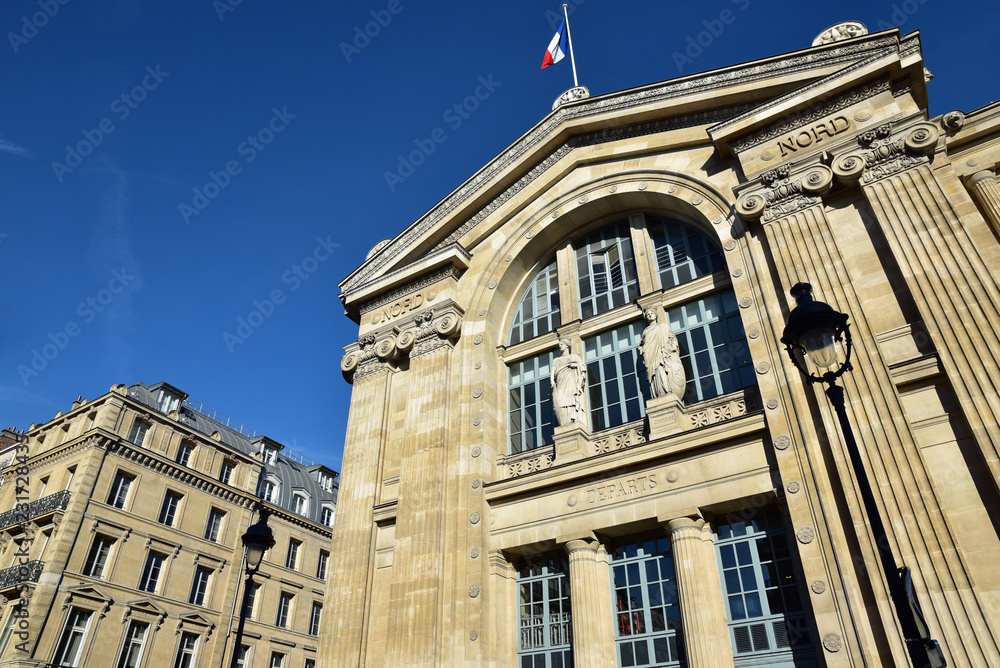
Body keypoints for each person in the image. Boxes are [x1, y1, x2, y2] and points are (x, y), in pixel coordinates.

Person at [639, 308, 686, 400]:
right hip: (650, 355)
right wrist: (642, 349)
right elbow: (643, 343)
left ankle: (666, 390)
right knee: (654, 374)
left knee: (661, 370)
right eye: (648, 314)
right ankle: (658, 392)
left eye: (652, 313)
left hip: (662, 354)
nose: (650, 315)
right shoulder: (646, 331)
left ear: (656, 315)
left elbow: (672, 338)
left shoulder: (663, 327)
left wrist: (672, 347)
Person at [551, 338, 587, 426]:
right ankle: (564, 423)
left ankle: (573, 419)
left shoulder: (574, 357)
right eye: (559, 345)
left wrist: (575, 365)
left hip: (571, 381)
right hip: (560, 382)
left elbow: (582, 368)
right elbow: (553, 371)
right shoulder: (556, 360)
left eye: (561, 344)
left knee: (572, 400)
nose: (560, 346)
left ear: (567, 346)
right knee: (560, 401)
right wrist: (552, 381)